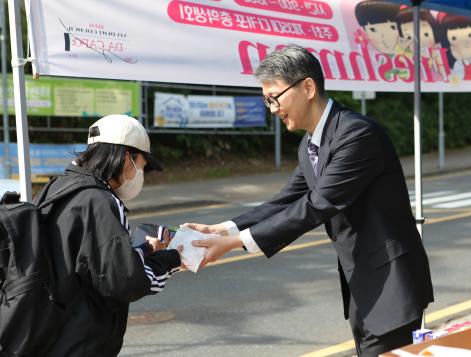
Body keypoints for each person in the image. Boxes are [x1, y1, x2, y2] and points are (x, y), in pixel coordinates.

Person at [186, 45, 434, 357]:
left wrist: (237, 243)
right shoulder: (310, 146)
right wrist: (223, 229)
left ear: (307, 87)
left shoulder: (357, 135)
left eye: (275, 97)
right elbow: (285, 201)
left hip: (392, 285)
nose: (272, 108)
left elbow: (316, 205)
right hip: (363, 282)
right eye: (267, 100)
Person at [34, 115, 182, 356]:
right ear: (126, 158)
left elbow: (90, 259)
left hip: (48, 333)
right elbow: (124, 281)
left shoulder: (57, 187)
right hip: (80, 341)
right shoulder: (101, 201)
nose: (140, 174)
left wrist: (144, 251)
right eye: (142, 166)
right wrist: (171, 259)